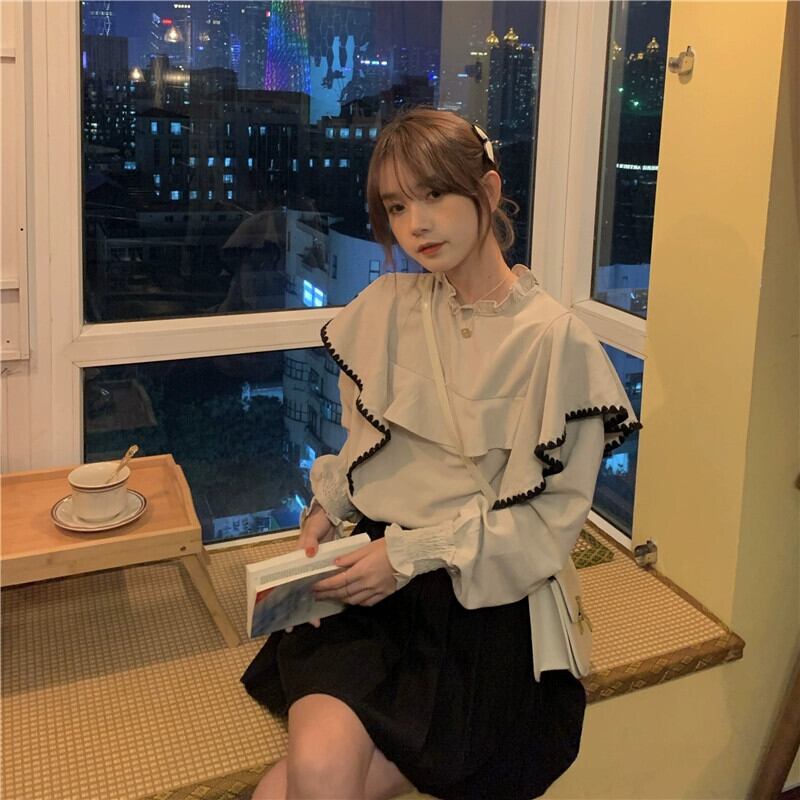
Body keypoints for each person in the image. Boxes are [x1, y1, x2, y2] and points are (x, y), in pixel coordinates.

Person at [241, 107, 641, 800]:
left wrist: (407, 557)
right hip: (368, 584)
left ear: (489, 190)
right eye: (397, 206)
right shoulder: (389, 305)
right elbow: (363, 439)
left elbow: (547, 524)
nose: (415, 224)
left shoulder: (554, 340)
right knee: (319, 769)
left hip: (478, 601)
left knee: (307, 783)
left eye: (433, 195)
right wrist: (325, 510)